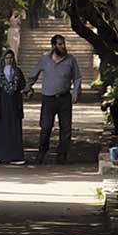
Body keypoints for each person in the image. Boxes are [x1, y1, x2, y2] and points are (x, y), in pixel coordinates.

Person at [24, 34, 81, 164]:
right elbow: (33, 74)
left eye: (64, 44)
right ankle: (42, 152)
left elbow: (77, 77)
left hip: (64, 99)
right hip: (48, 99)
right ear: (54, 45)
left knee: (65, 129)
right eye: (60, 44)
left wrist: (76, 92)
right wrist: (28, 87)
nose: (63, 46)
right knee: (45, 127)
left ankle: (62, 155)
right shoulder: (45, 59)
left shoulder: (70, 59)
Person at [0, 49, 26, 164]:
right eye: (7, 58)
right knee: (0, 130)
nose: (9, 60)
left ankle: (15, 156)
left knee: (13, 130)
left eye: (11, 58)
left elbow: (22, 87)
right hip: (1, 105)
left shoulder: (17, 72)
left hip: (13, 105)